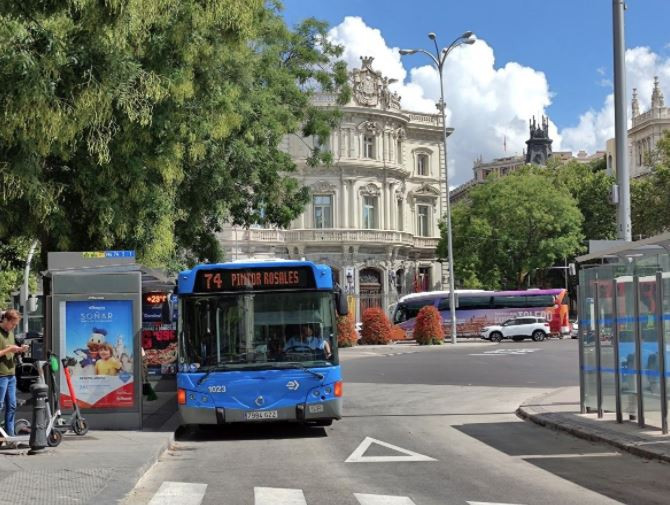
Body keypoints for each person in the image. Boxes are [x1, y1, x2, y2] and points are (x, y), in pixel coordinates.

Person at [0, 309, 29, 445]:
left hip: (11, 375)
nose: (14, 327)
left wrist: (19, 350)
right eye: (13, 324)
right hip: (1, 375)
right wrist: (9, 349)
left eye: (16, 324)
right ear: (5, 320)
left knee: (11, 405)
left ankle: (10, 436)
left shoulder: (10, 333)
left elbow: (12, 350)